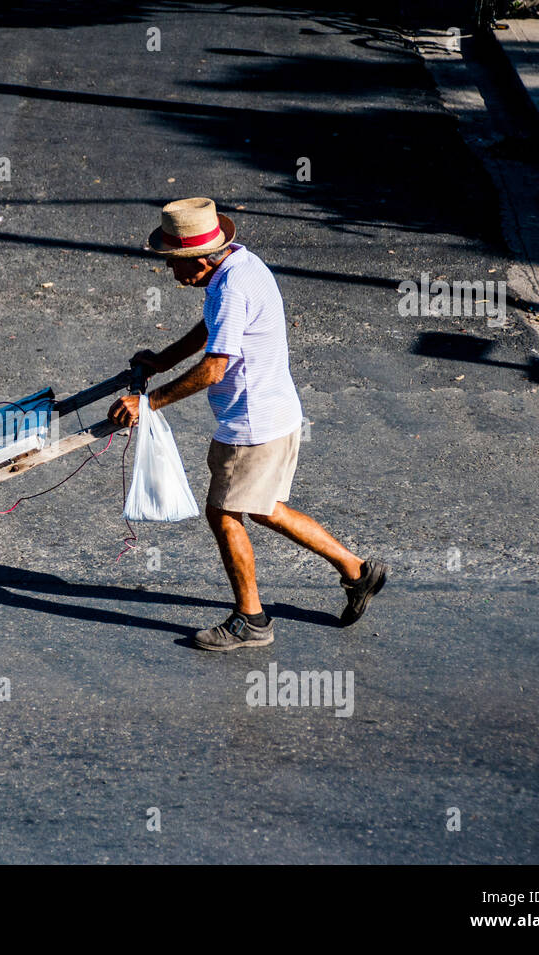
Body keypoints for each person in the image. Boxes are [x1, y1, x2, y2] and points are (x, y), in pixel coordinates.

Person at [108, 198, 386, 651]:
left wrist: (149, 402)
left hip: (251, 426)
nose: (171, 273)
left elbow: (216, 367)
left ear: (198, 260)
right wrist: (164, 359)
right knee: (265, 507)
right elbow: (213, 326)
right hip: (279, 414)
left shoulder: (231, 288)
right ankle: (357, 570)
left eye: (173, 264)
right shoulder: (241, 264)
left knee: (223, 512)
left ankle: (251, 619)